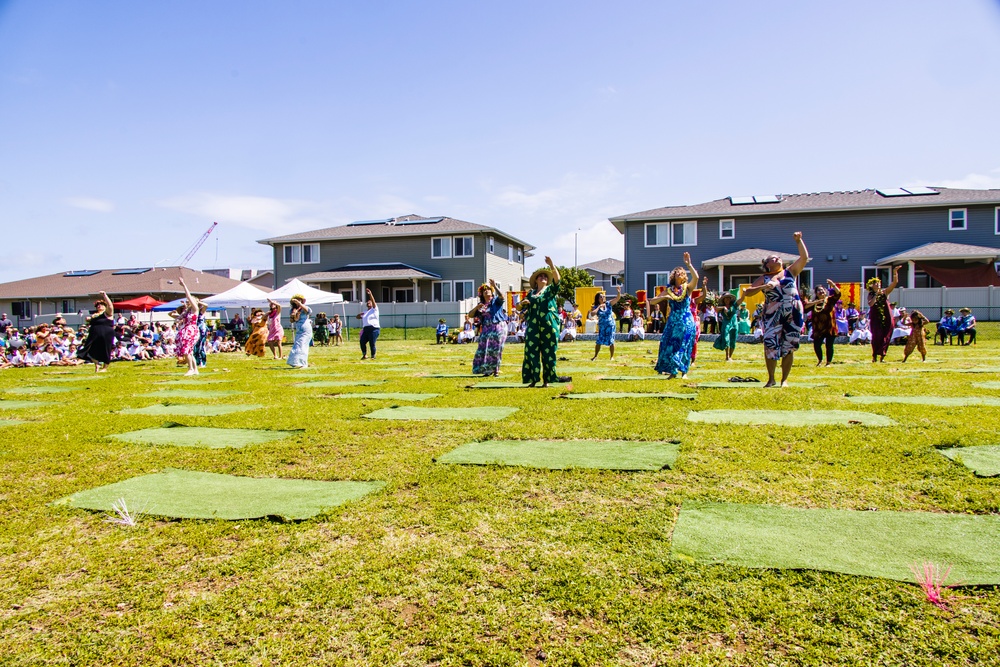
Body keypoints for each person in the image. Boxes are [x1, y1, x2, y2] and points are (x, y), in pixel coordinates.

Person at [741, 232, 810, 387]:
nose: (777, 258)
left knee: (789, 345)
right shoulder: (764, 277)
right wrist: (765, 286)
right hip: (773, 314)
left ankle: (784, 380)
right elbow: (748, 292)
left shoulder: (790, 272)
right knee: (770, 343)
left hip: (792, 311)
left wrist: (799, 241)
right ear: (767, 265)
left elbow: (804, 258)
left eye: (778, 257)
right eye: (773, 258)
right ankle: (771, 379)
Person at [519, 256, 570, 387]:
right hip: (533, 327)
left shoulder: (550, 291)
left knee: (549, 353)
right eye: (540, 276)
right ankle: (534, 379)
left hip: (549, 326)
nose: (543, 278)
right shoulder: (531, 294)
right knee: (531, 351)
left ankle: (547, 380)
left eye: (545, 277)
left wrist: (552, 265)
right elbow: (519, 307)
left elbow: (557, 280)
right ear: (536, 280)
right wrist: (522, 304)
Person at [649, 252, 699, 379]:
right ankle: (672, 371)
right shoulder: (669, 290)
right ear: (674, 275)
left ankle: (684, 372)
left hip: (686, 320)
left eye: (683, 273)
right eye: (678, 272)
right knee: (669, 344)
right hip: (673, 321)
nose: (680, 273)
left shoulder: (687, 288)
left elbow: (696, 277)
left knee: (684, 344)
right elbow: (652, 301)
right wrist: (664, 297)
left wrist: (689, 265)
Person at [470, 279, 508, 377]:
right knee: (484, 349)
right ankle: (486, 370)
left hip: (498, 326)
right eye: (484, 290)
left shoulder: (496, 301)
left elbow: (502, 296)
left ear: (492, 292)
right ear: (481, 294)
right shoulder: (482, 305)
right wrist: (476, 308)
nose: (486, 291)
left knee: (496, 349)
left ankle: (496, 370)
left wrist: (495, 286)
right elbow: (470, 315)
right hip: (486, 329)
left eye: (488, 289)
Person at [803, 279, 841, 366]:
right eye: (818, 290)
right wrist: (815, 302)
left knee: (829, 345)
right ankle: (820, 360)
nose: (821, 291)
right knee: (817, 345)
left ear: (825, 291)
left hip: (829, 326)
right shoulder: (814, 303)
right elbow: (804, 308)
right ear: (816, 293)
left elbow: (838, 294)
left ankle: (828, 362)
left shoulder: (830, 300)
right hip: (818, 328)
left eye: (822, 290)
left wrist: (833, 285)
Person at [866, 266, 900, 362]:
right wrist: (876, 295)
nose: (878, 284)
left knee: (886, 335)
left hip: (886, 316)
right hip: (876, 317)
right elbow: (871, 304)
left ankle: (882, 356)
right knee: (877, 336)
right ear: (871, 285)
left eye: (879, 283)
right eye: (875, 283)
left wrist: (895, 272)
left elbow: (894, 283)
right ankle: (874, 356)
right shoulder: (871, 294)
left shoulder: (885, 292)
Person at [77, 291, 115, 373]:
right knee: (88, 349)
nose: (99, 306)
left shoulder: (108, 313)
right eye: (97, 305)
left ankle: (104, 368)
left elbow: (110, 306)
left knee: (106, 349)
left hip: (106, 333)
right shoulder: (94, 316)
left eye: (101, 305)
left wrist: (105, 296)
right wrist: (89, 319)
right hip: (94, 334)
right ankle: (97, 363)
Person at [173, 277, 201, 375]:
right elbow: (178, 318)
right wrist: (177, 319)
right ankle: (195, 369)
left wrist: (184, 285)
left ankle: (191, 369)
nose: (189, 301)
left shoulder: (195, 309)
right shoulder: (187, 311)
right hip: (186, 330)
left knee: (186, 350)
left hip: (191, 331)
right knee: (189, 350)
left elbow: (188, 296)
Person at [589, 287, 622, 361]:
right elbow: (592, 314)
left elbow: (617, 299)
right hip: (602, 326)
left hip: (610, 325)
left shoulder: (608, 304)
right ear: (598, 299)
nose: (603, 297)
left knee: (611, 340)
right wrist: (599, 307)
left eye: (603, 296)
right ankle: (595, 356)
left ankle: (611, 357)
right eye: (601, 297)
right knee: (599, 341)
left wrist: (619, 292)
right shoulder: (595, 306)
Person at [713, 291, 745, 361]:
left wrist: (744, 293)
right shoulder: (721, 307)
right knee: (726, 339)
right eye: (725, 298)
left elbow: (742, 299)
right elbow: (716, 309)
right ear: (723, 300)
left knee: (733, 340)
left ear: (730, 299)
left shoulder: (734, 305)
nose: (727, 300)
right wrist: (723, 307)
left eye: (728, 298)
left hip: (734, 323)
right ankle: (727, 356)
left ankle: (730, 356)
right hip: (726, 324)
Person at [286, 295, 313, 368]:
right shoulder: (292, 310)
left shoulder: (304, 308)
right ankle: (294, 361)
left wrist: (300, 304)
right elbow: (292, 321)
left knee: (302, 345)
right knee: (297, 345)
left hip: (306, 329)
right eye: (295, 300)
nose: (297, 301)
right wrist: (293, 316)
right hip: (299, 329)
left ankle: (303, 363)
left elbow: (309, 311)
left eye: (299, 299)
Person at [356, 288, 379, 360]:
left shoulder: (374, 310)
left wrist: (370, 294)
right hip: (366, 329)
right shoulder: (365, 312)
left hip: (373, 329)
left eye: (370, 302)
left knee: (372, 343)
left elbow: (373, 301)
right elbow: (357, 317)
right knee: (362, 341)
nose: (368, 303)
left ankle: (373, 356)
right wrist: (359, 315)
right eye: (367, 302)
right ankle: (364, 355)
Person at [194, 303, 209, 368]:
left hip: (202, 330)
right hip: (195, 330)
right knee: (195, 347)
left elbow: (206, 305)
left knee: (201, 346)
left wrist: (198, 302)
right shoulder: (193, 312)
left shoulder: (201, 311)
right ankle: (197, 362)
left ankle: (203, 362)